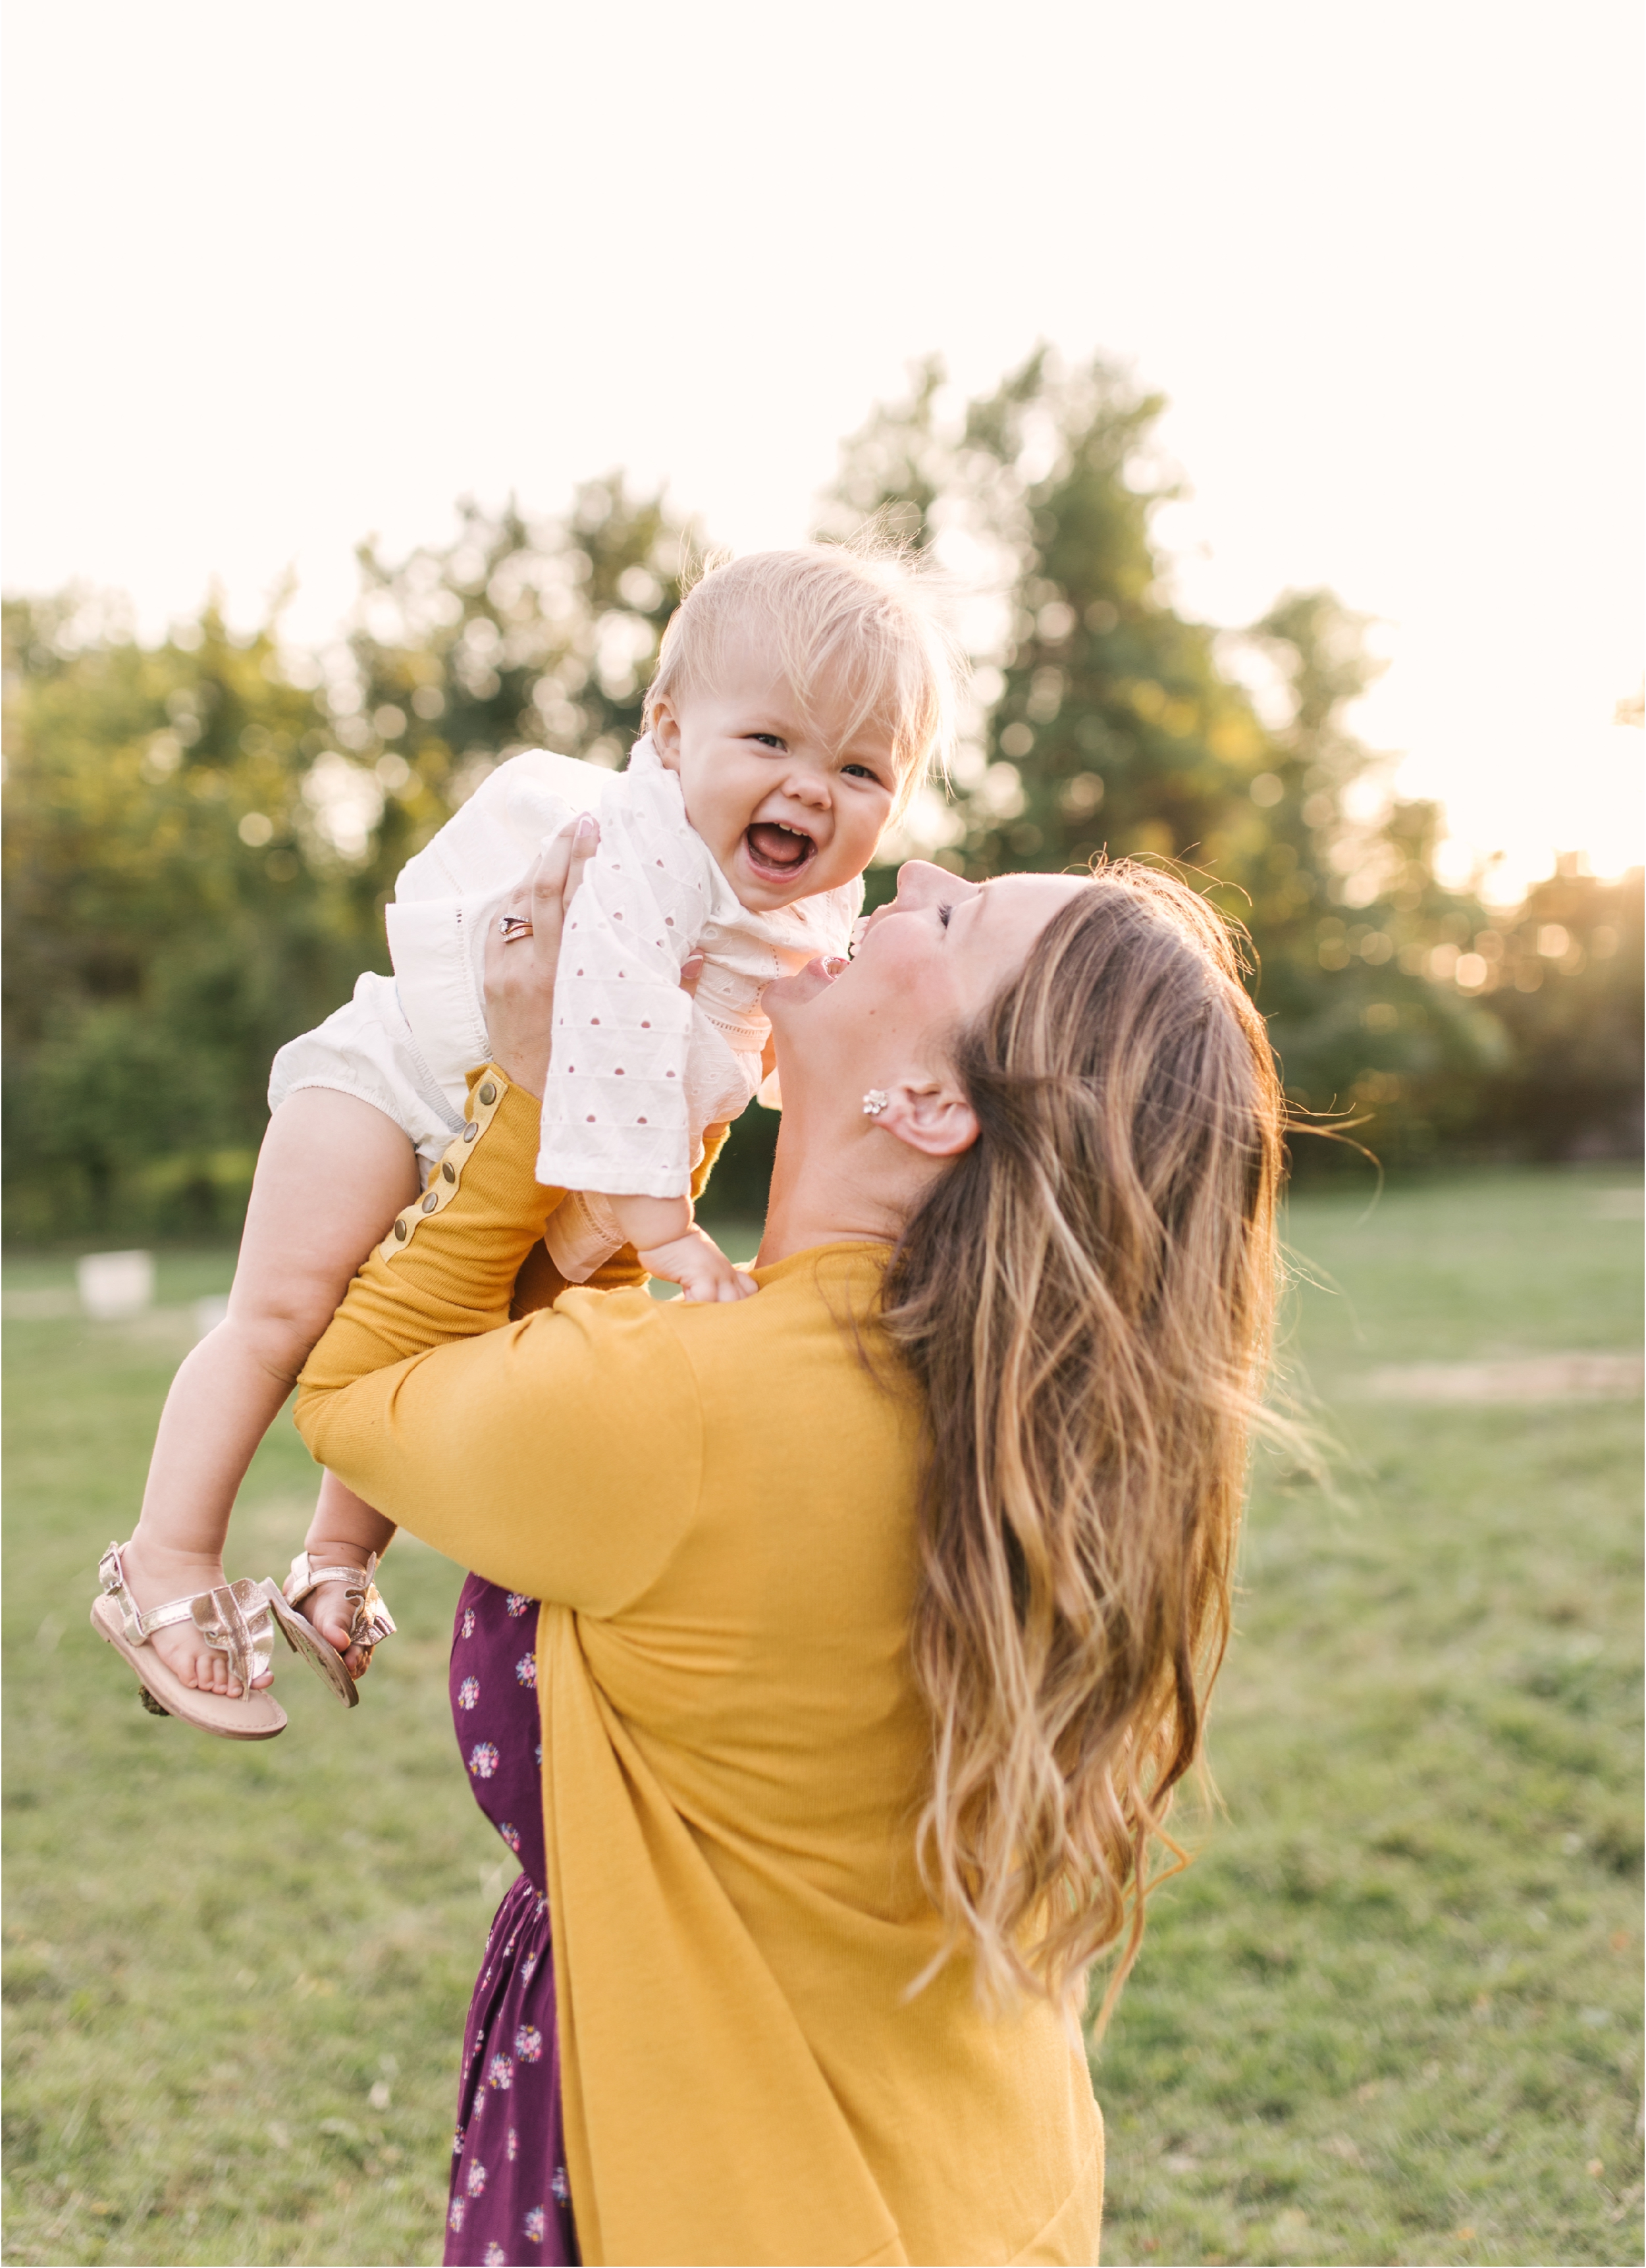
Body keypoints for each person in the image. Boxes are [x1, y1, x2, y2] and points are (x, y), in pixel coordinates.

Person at [292, 820, 1286, 2266]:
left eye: (952, 925)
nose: (912, 879)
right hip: (985, 2199)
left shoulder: (687, 1405)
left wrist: (538, 1090)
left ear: (928, 1102)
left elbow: (344, 1384)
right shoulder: (1005, 1421)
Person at [92, 546, 959, 1731]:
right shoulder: (635, 847)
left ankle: (337, 1557)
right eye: (770, 743)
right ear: (667, 732)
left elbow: (765, 1046)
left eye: (860, 767)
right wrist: (663, 1228)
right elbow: (608, 1023)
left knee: (445, 1345)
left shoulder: (808, 906)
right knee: (286, 1315)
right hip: (394, 1085)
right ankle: (167, 1560)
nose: (812, 789)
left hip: (519, 1134)